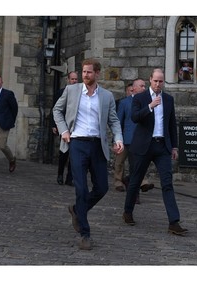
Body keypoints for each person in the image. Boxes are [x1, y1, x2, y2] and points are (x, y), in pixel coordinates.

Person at [53, 58, 124, 250]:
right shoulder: (71, 90)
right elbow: (57, 110)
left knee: (102, 187)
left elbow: (114, 121)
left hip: (97, 146)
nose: (85, 75)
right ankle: (85, 233)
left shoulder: (107, 96)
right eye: (83, 72)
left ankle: (77, 209)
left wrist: (118, 139)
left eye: (89, 72)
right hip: (76, 143)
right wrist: (64, 131)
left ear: (97, 74)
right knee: (81, 189)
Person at [122, 69, 188, 236]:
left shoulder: (168, 99)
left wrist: (174, 146)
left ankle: (174, 222)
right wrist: (150, 107)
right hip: (144, 145)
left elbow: (172, 124)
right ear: (150, 80)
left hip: (162, 146)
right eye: (155, 81)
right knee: (136, 180)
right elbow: (134, 117)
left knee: (167, 183)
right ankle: (127, 211)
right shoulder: (139, 98)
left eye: (161, 81)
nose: (158, 84)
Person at [115, 79, 154, 204]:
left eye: (145, 86)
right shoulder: (125, 102)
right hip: (129, 140)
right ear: (134, 88)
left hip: (144, 139)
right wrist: (116, 140)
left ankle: (128, 181)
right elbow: (119, 122)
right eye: (141, 86)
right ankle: (135, 195)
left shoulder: (148, 102)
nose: (144, 88)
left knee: (138, 167)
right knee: (133, 166)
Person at [51, 71, 78, 186]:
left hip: (76, 127)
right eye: (72, 79)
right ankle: (60, 174)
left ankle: (69, 178)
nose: (74, 81)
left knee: (74, 154)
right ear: (68, 80)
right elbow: (55, 108)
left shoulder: (80, 93)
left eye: (76, 79)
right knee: (64, 153)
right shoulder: (61, 92)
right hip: (64, 126)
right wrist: (54, 125)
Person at [113, 83, 133, 192]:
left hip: (135, 139)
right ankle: (118, 181)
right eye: (130, 90)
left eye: (133, 90)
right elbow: (118, 121)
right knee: (119, 161)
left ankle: (141, 181)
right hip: (123, 138)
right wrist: (116, 140)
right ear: (126, 92)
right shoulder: (121, 103)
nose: (132, 92)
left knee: (136, 162)